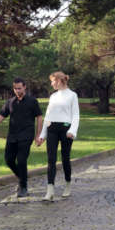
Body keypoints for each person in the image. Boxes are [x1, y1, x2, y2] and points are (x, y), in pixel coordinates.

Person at [0, 77, 42, 201]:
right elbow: (2, 115)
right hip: (12, 135)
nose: (17, 90)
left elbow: (39, 117)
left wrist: (38, 135)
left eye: (19, 88)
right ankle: (23, 178)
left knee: (21, 160)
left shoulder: (32, 101)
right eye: (15, 88)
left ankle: (23, 187)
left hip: (26, 135)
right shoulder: (10, 102)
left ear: (24, 87)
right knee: (9, 160)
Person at [35, 70, 79, 201]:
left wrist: (73, 131)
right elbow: (48, 116)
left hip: (66, 129)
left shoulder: (72, 95)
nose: (51, 84)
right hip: (52, 128)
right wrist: (42, 134)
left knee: (65, 158)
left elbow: (76, 115)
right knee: (51, 159)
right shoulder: (53, 96)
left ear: (59, 81)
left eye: (52, 81)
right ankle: (50, 190)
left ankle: (67, 184)